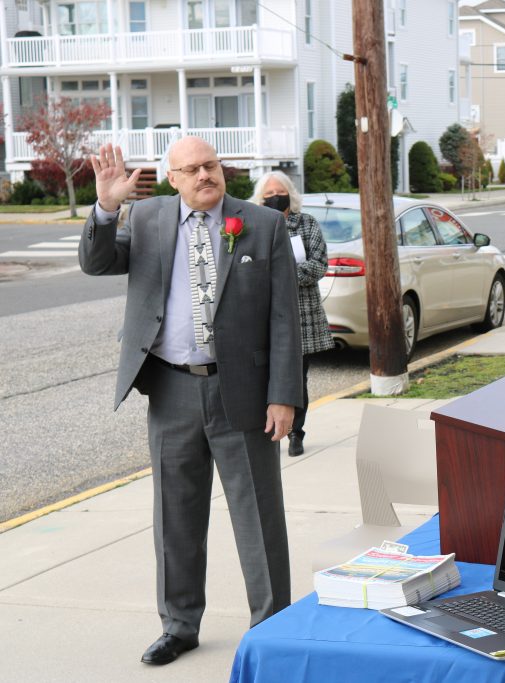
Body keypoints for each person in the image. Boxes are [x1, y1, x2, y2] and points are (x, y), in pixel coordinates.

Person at [79, 139, 302, 666]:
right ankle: (178, 625)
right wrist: (107, 208)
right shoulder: (148, 218)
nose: (205, 175)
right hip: (171, 388)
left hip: (244, 393)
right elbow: (97, 262)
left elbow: (283, 319)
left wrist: (284, 396)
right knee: (174, 515)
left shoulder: (261, 224)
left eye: (211, 166)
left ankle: (270, 628)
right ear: (173, 178)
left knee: (259, 517)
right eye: (192, 170)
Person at [249, 171, 333, 457]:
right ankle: (268, 427)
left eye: (279, 193)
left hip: (301, 315)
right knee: (262, 377)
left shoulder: (306, 224)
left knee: (297, 378)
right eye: (268, 195)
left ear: (290, 195)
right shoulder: (253, 227)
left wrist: (279, 275)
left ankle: (296, 431)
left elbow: (318, 265)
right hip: (260, 316)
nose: (275, 198)